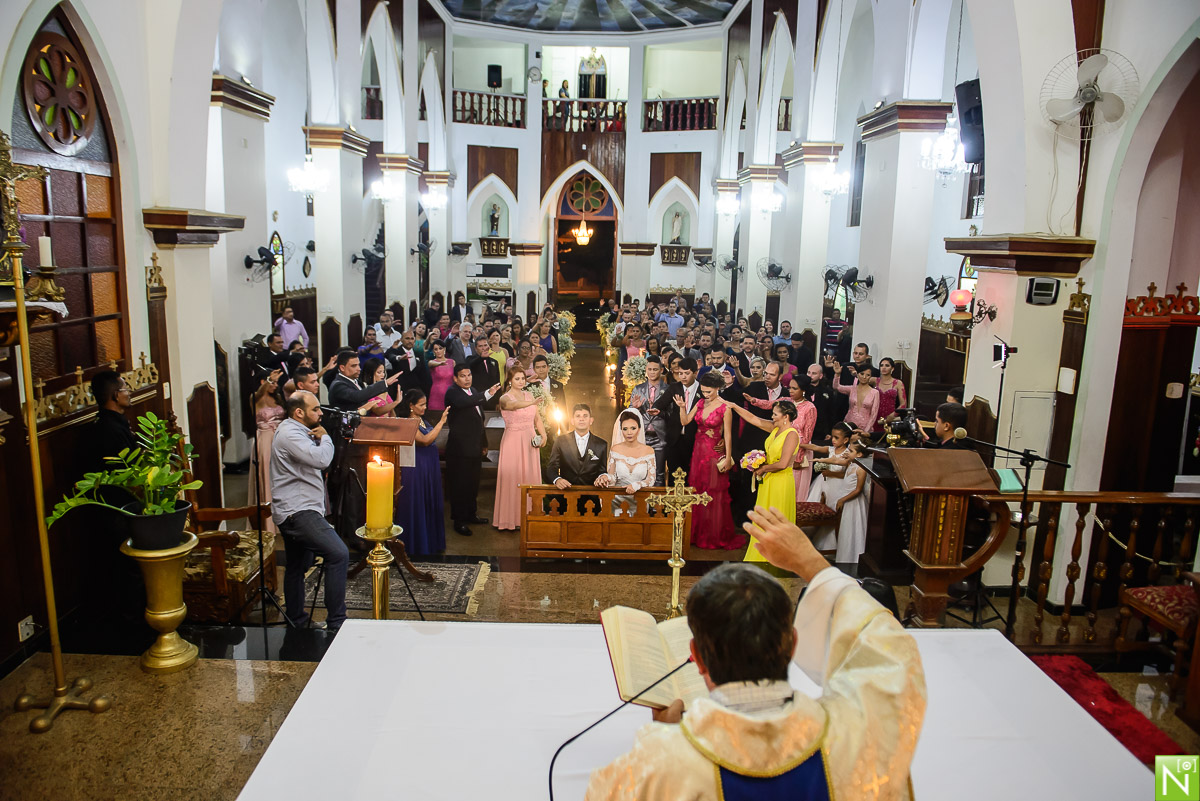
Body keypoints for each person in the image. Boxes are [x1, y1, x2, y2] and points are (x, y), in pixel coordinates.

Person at [585, 509, 925, 800]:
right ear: (792, 644)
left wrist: (666, 737)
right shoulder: (857, 732)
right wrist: (811, 563)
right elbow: (888, 648)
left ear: (696, 656)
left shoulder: (659, 768)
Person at [270, 391, 348, 631]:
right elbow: (321, 459)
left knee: (296, 564)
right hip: (298, 512)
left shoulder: (296, 430)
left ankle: (297, 620)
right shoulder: (289, 434)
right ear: (299, 412)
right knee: (338, 553)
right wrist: (326, 438)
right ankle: (337, 622)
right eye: (316, 409)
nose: (321, 413)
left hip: (297, 508)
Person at [675, 371, 742, 550]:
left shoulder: (725, 408)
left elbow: (727, 436)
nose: (705, 395)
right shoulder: (700, 402)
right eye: (703, 391)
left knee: (713, 494)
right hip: (698, 452)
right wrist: (682, 407)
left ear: (718, 388)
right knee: (697, 490)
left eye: (709, 392)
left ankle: (713, 535)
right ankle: (696, 533)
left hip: (713, 453)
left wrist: (728, 459)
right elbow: (685, 421)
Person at [730, 399, 800, 561]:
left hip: (781, 482)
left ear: (786, 416)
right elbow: (754, 419)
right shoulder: (775, 429)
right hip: (769, 481)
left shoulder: (791, 434)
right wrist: (734, 406)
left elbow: (783, 463)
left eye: (775, 414)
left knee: (775, 520)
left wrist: (763, 468)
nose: (772, 417)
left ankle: (777, 558)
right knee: (764, 518)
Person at [443, 363, 501, 536]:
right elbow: (466, 403)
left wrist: (484, 443)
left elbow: (479, 421)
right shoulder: (452, 393)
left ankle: (470, 514)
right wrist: (488, 394)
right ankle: (459, 521)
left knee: (472, 484)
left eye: (469, 375)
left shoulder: (473, 390)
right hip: (459, 449)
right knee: (460, 486)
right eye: (463, 376)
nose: (467, 379)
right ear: (455, 378)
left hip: (475, 448)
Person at [394, 390, 448, 555]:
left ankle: (432, 542)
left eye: (425, 404)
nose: (425, 407)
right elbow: (425, 441)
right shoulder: (409, 422)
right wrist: (441, 422)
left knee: (428, 501)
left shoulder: (421, 419)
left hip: (429, 466)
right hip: (416, 467)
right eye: (421, 405)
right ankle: (415, 544)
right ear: (411, 406)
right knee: (417, 502)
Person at [493, 371, 546, 530]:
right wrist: (531, 403)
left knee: (529, 475)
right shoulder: (504, 398)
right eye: (517, 378)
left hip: (529, 439)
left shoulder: (529, 395)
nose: (521, 381)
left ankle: (531, 515)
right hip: (513, 441)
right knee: (513, 477)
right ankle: (509, 520)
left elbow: (537, 419)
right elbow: (513, 406)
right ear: (510, 380)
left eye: (523, 378)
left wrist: (543, 436)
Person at [248, 367, 286, 532]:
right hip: (264, 440)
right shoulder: (255, 398)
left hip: (279, 439)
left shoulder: (277, 398)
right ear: (263, 382)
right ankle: (268, 523)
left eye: (277, 383)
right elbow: (259, 393)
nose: (275, 386)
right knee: (266, 476)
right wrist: (269, 381)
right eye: (273, 382)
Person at [546, 403, 610, 491]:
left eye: (585, 416)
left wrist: (603, 477)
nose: (581, 419)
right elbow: (552, 467)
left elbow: (602, 471)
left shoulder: (601, 444)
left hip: (591, 496)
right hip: (566, 493)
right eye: (578, 416)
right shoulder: (560, 441)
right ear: (572, 421)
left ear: (591, 420)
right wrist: (557, 480)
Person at [606, 409, 658, 515]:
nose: (629, 432)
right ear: (621, 430)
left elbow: (651, 479)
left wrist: (637, 485)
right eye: (625, 429)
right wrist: (604, 477)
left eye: (633, 428)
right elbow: (612, 477)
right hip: (617, 500)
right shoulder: (615, 449)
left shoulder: (649, 450)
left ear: (639, 429)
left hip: (640, 500)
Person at [628, 354, 669, 485]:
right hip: (641, 436)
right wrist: (635, 408)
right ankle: (642, 505)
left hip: (660, 437)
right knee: (639, 473)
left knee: (659, 474)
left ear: (661, 370)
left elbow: (672, 414)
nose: (652, 372)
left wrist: (660, 412)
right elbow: (629, 415)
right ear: (646, 370)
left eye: (655, 369)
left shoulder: (668, 390)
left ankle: (657, 505)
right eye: (649, 369)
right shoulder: (638, 389)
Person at [87, 370, 135, 473]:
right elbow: (124, 469)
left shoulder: (112, 421)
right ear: (116, 395)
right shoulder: (109, 429)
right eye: (126, 389)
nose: (129, 393)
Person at [660, 357, 700, 479]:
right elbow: (660, 405)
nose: (683, 377)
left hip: (695, 439)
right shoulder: (674, 387)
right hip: (674, 438)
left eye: (686, 373)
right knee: (673, 474)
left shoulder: (702, 390)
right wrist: (657, 411)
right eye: (680, 373)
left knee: (691, 474)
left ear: (695, 373)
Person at [328, 351, 399, 411]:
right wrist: (384, 383)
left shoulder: (358, 382)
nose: (359, 369)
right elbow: (357, 396)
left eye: (358, 365)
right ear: (342, 368)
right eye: (354, 366)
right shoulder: (338, 385)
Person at [834, 362, 881, 433]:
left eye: (868, 375)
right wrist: (837, 374)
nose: (864, 377)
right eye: (862, 374)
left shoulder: (875, 392)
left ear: (870, 377)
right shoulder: (852, 389)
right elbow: (836, 387)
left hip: (865, 427)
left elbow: (873, 415)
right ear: (857, 374)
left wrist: (865, 431)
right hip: (849, 425)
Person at [390, 329, 430, 395]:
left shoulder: (418, 353)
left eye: (412, 339)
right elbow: (389, 356)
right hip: (400, 391)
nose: (410, 341)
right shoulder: (396, 351)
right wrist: (399, 358)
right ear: (401, 340)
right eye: (407, 338)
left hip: (416, 390)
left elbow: (423, 373)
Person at [425, 339, 456, 423]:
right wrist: (439, 364)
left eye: (440, 348)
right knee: (435, 421)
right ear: (433, 351)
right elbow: (430, 364)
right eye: (436, 349)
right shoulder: (432, 362)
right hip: (436, 396)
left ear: (444, 349)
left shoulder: (452, 362)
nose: (438, 351)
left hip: (450, 394)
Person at [873, 357, 908, 430]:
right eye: (881, 365)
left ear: (892, 369)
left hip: (890, 415)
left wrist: (893, 415)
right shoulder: (874, 380)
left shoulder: (898, 383)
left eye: (887, 365)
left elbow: (903, 404)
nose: (884, 368)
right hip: (874, 414)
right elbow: (861, 379)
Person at [469, 335, 502, 400]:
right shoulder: (470, 359)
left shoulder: (494, 362)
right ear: (475, 348)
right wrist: (481, 358)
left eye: (485, 345)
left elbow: (497, 382)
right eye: (480, 346)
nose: (483, 348)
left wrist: (498, 400)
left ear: (488, 346)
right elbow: (471, 365)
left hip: (492, 399)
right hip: (478, 398)